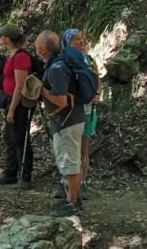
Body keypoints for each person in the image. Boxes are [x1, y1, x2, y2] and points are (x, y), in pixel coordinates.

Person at [35, 30, 86, 216]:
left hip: (68, 121)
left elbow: (62, 101)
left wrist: (43, 92)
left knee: (70, 162)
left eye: (36, 47)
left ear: (42, 50)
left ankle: (72, 204)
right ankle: (72, 199)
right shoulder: (60, 63)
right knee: (69, 161)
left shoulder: (56, 68)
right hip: (71, 119)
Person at [63, 28, 102, 195]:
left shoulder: (89, 60)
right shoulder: (63, 61)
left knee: (83, 148)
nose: (81, 42)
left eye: (82, 39)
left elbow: (97, 79)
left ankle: (82, 181)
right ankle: (66, 182)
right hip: (69, 109)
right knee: (69, 147)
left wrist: (97, 94)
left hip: (87, 108)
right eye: (76, 40)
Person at [0, 23, 34, 188]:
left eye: (2, 36)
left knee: (19, 138)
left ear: (8, 39)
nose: (0, 38)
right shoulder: (13, 54)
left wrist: (12, 110)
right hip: (10, 100)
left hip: (18, 103)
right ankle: (11, 172)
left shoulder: (21, 57)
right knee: (10, 137)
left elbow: (20, 85)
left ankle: (25, 176)